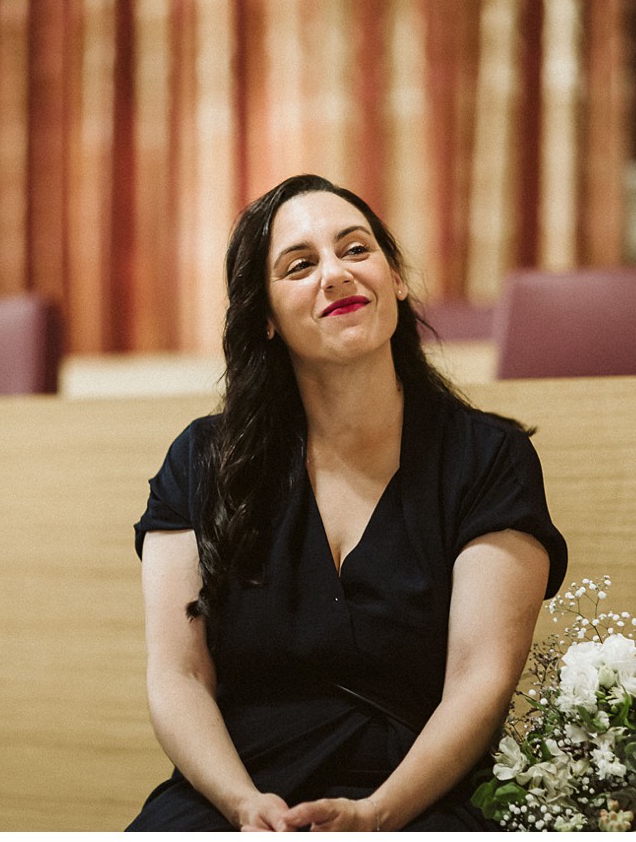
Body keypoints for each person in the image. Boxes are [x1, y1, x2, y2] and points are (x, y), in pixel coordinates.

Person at [127, 174, 568, 831]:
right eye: (300, 265)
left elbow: (481, 680)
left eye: (356, 250)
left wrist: (375, 814)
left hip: (420, 795)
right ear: (266, 320)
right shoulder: (200, 461)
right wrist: (243, 805)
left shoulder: (488, 459)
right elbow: (178, 676)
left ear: (397, 280)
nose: (335, 274)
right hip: (236, 793)